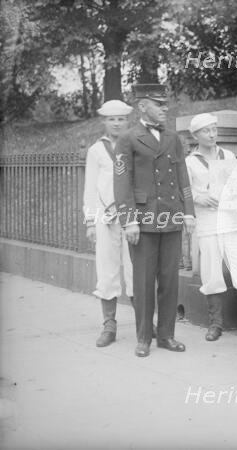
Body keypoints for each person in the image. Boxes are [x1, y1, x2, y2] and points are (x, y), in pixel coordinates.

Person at [114, 84, 196, 357]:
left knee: (170, 280)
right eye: (158, 104)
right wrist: (129, 220)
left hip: (171, 217)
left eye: (165, 104)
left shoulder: (172, 138)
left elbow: (182, 175)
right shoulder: (128, 138)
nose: (164, 108)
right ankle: (143, 337)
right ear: (142, 106)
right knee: (144, 281)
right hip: (143, 221)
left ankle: (166, 336)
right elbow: (122, 182)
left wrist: (189, 211)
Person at [185, 113, 237, 341]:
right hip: (208, 222)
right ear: (195, 135)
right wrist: (197, 198)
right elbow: (184, 190)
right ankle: (216, 323)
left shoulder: (228, 155)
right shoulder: (190, 162)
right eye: (205, 131)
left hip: (230, 220)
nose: (211, 134)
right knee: (212, 271)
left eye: (214, 129)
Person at [83, 99, 134, 347]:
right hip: (106, 218)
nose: (116, 123)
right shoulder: (96, 150)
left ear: (127, 121)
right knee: (107, 270)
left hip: (133, 217)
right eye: (112, 119)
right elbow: (90, 187)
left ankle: (145, 323)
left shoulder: (134, 144)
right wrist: (91, 221)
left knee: (136, 269)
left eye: (121, 119)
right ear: (103, 121)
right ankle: (109, 325)